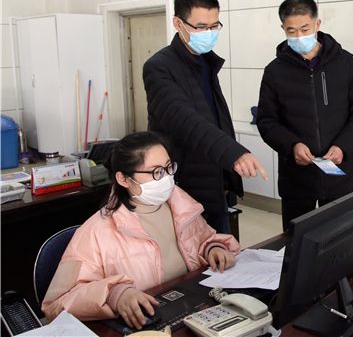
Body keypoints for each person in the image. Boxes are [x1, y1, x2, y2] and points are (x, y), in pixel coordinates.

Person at [41, 132, 240, 330]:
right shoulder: (96, 232)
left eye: (169, 168)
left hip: (191, 312)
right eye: (156, 172)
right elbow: (57, 304)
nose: (167, 178)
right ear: (124, 179)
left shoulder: (181, 206)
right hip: (144, 326)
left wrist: (213, 248)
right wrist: (114, 295)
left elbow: (203, 239)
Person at [143, 0, 267, 233]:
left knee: (222, 246)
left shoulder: (205, 62)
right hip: (185, 181)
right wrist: (233, 153)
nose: (208, 33)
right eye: (200, 27)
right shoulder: (159, 67)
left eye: (214, 26)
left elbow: (214, 118)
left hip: (215, 176)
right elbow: (184, 120)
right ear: (178, 23)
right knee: (194, 250)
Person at [257, 0, 353, 231]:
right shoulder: (274, 71)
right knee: (298, 242)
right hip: (297, 179)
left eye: (305, 29)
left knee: (342, 238)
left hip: (341, 175)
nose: (299, 36)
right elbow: (267, 121)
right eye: (291, 31)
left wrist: (343, 146)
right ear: (282, 28)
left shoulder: (345, 63)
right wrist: (292, 145)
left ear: (317, 24)